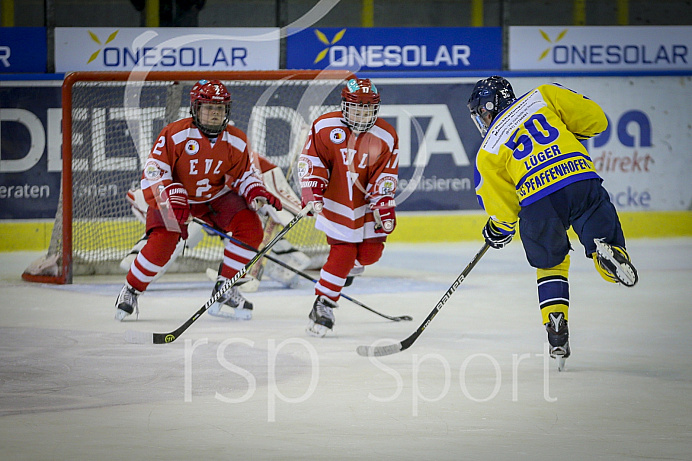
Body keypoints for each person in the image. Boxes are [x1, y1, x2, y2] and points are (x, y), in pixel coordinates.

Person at [467, 76, 638, 368]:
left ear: (488, 108)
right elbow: (597, 121)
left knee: (551, 264)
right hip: (579, 178)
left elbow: (505, 210)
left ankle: (556, 326)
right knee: (603, 237)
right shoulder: (543, 95)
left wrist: (498, 229)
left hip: (537, 200)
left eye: (481, 112)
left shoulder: (488, 151)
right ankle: (609, 253)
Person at [115, 79, 282, 321]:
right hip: (174, 200)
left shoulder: (235, 139)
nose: (215, 114)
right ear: (195, 108)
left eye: (220, 108)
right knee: (163, 244)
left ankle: (225, 288)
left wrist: (255, 191)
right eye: (209, 108)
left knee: (250, 227)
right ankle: (131, 290)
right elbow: (152, 173)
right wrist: (172, 193)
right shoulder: (175, 133)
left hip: (213, 198)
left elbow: (244, 174)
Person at [298, 77, 399, 337]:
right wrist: (312, 192)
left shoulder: (386, 135)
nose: (362, 114)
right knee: (342, 253)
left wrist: (383, 203)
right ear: (344, 106)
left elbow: (385, 176)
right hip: (336, 200)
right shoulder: (324, 126)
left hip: (366, 205)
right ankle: (324, 303)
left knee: (369, 255)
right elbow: (313, 161)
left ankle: (344, 270)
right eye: (357, 107)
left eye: (368, 108)